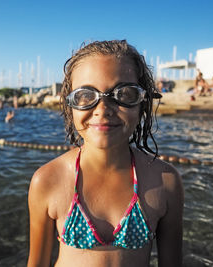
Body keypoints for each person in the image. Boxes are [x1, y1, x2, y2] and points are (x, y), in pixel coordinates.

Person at [27, 40, 183, 267]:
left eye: (124, 94)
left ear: (142, 104)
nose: (102, 109)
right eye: (85, 95)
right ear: (70, 106)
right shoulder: (48, 180)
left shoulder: (166, 182)